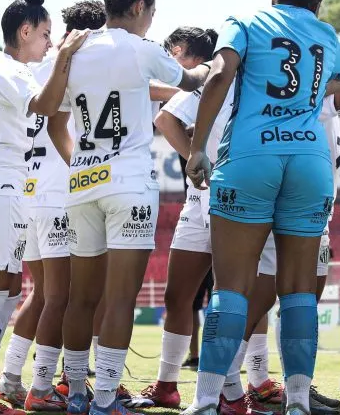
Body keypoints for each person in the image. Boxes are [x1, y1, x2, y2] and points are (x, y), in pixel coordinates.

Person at [183, 0, 340, 415]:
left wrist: (197, 148)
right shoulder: (326, 34)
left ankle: (207, 401)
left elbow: (219, 75)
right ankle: (297, 402)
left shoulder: (246, 22)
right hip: (310, 162)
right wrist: (325, 90)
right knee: (297, 291)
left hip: (251, 157)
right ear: (317, 2)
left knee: (231, 288)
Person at [59, 0, 210, 415]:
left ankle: (75, 394)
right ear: (141, 6)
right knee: (121, 298)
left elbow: (57, 115)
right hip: (127, 182)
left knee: (80, 298)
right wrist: (218, 66)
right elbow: (190, 79)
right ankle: (104, 398)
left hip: (83, 179)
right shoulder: (139, 48)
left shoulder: (77, 48)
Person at [0, 0, 90, 415]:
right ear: (25, 30)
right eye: (46, 34)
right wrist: (67, 56)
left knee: (9, 292)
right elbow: (48, 105)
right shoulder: (6, 71)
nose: (50, 42)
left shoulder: (4, 69)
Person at [0, 1, 107, 412]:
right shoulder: (76, 69)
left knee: (43, 295)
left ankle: (10, 377)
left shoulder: (36, 68)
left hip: (30, 195)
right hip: (59, 195)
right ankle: (43, 387)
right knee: (62, 296)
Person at [126, 27, 220, 410]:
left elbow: (163, 119)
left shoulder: (208, 81)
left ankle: (235, 386)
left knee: (226, 297)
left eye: (171, 54)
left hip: (225, 197)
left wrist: (194, 159)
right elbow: (165, 119)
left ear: (184, 54)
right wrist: (194, 159)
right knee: (180, 296)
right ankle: (168, 385)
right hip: (201, 197)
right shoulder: (211, 81)